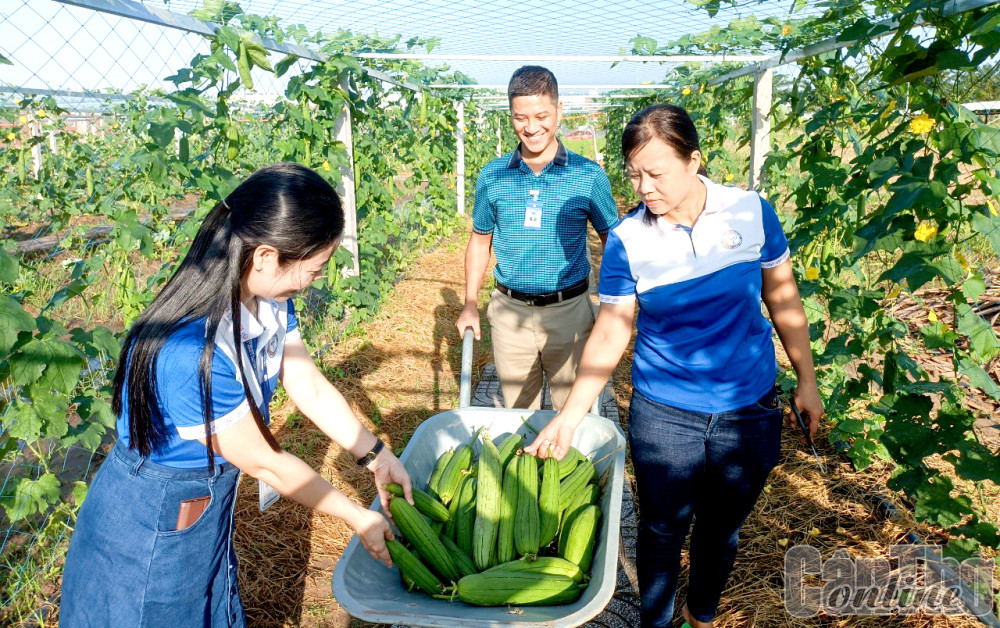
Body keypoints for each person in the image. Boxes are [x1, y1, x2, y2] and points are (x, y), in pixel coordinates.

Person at [60, 163, 412, 627]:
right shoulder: (188, 351)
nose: (313, 281)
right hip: (155, 517)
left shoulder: (266, 299)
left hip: (206, 501)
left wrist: (375, 453)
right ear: (266, 256)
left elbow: (304, 381)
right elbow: (266, 462)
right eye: (314, 269)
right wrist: (356, 516)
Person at [525, 104, 824, 628]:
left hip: (748, 407)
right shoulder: (627, 240)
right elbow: (613, 328)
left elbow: (782, 297)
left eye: (656, 173)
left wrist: (807, 379)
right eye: (634, 174)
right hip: (666, 412)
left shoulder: (750, 212)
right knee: (662, 529)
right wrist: (570, 414)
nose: (643, 187)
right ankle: (656, 622)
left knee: (721, 529)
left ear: (695, 161)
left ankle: (700, 614)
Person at [456, 65, 619, 410]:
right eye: (520, 117)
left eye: (541, 115)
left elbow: (613, 243)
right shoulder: (494, 175)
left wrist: (612, 307)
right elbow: (480, 241)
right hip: (509, 311)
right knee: (518, 413)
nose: (531, 128)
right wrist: (470, 303)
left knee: (572, 411)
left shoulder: (587, 175)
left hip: (570, 310)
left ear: (559, 111)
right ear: (511, 115)